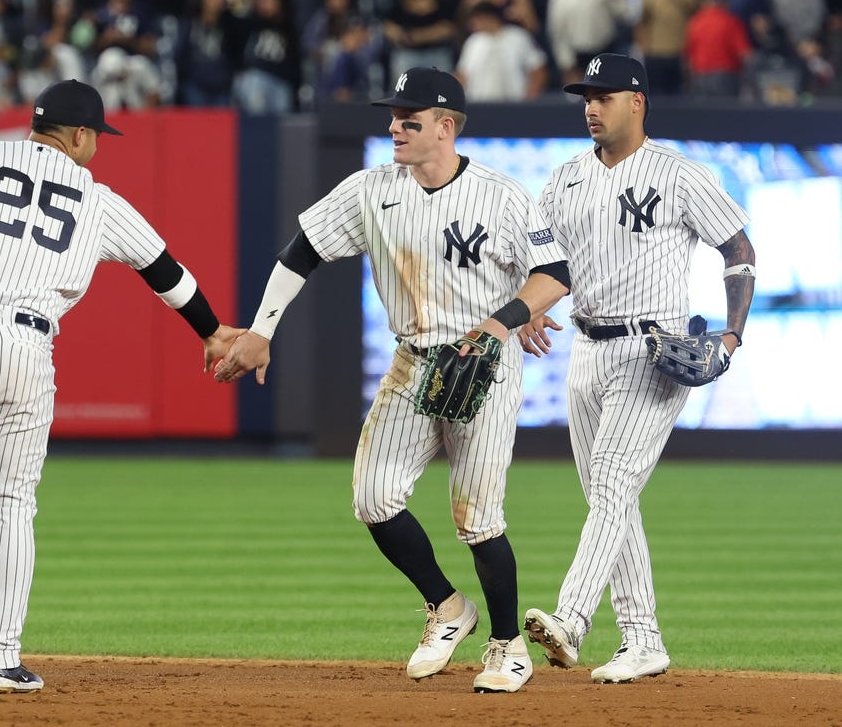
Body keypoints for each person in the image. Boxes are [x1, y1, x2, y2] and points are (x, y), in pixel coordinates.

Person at [0, 79, 244, 695]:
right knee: (10, 504)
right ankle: (0, 659)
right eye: (97, 137)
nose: (98, 147)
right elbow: (167, 272)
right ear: (81, 135)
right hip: (27, 345)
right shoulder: (98, 199)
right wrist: (214, 331)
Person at [214, 67, 572, 693]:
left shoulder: (502, 195)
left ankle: (507, 645)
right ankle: (448, 607)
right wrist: (261, 329)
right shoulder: (372, 189)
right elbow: (303, 249)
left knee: (477, 517)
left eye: (409, 119)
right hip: (413, 359)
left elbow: (554, 272)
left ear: (444, 126)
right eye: (393, 117)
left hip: (482, 362)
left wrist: (504, 320)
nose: (394, 127)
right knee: (373, 498)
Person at [520, 53, 756, 684]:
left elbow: (737, 246)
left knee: (615, 483)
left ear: (638, 101)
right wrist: (526, 308)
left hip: (653, 351)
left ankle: (571, 619)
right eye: (585, 96)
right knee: (608, 496)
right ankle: (644, 641)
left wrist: (731, 334)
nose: (591, 106)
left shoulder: (676, 173)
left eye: (604, 95)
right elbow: (548, 269)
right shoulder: (565, 179)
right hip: (586, 348)